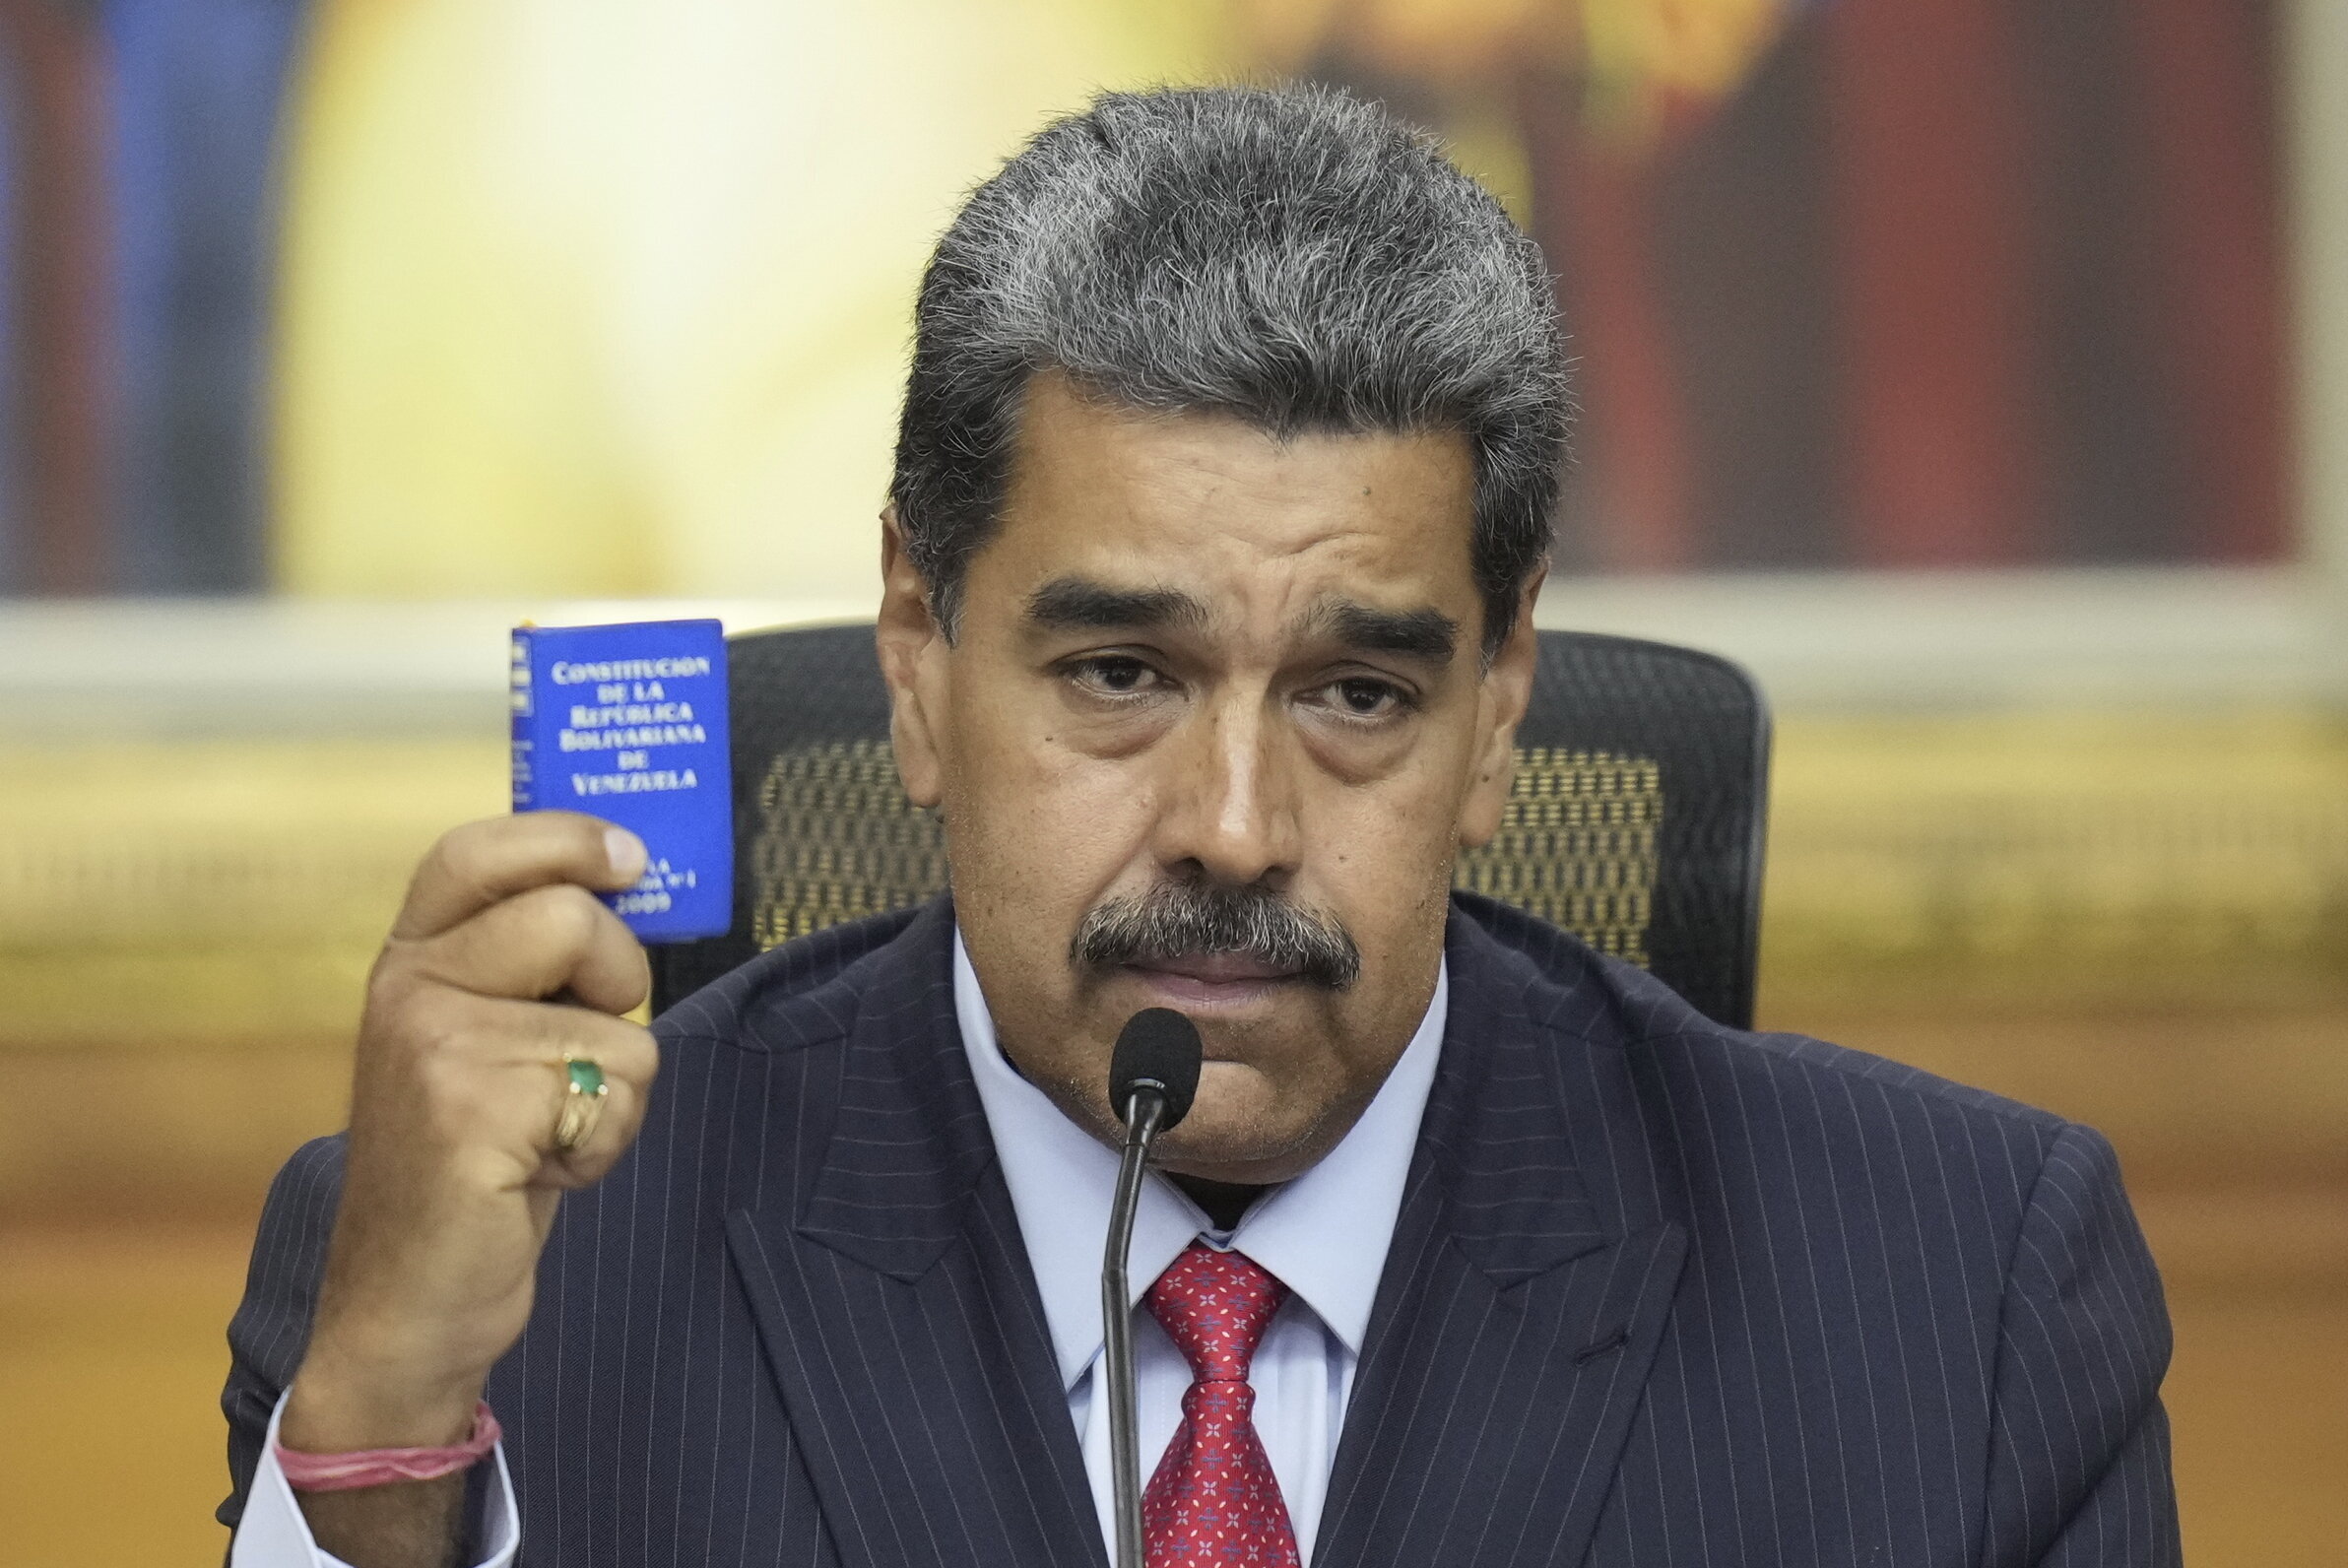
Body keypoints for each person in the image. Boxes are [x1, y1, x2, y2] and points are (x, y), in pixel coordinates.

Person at [221, 84, 2180, 1568]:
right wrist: (383, 1435)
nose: (1233, 829)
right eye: (1121, 675)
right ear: (920, 644)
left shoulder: (1959, 1295)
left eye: (1356, 693)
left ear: (1499, 701)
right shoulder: (488, 1289)